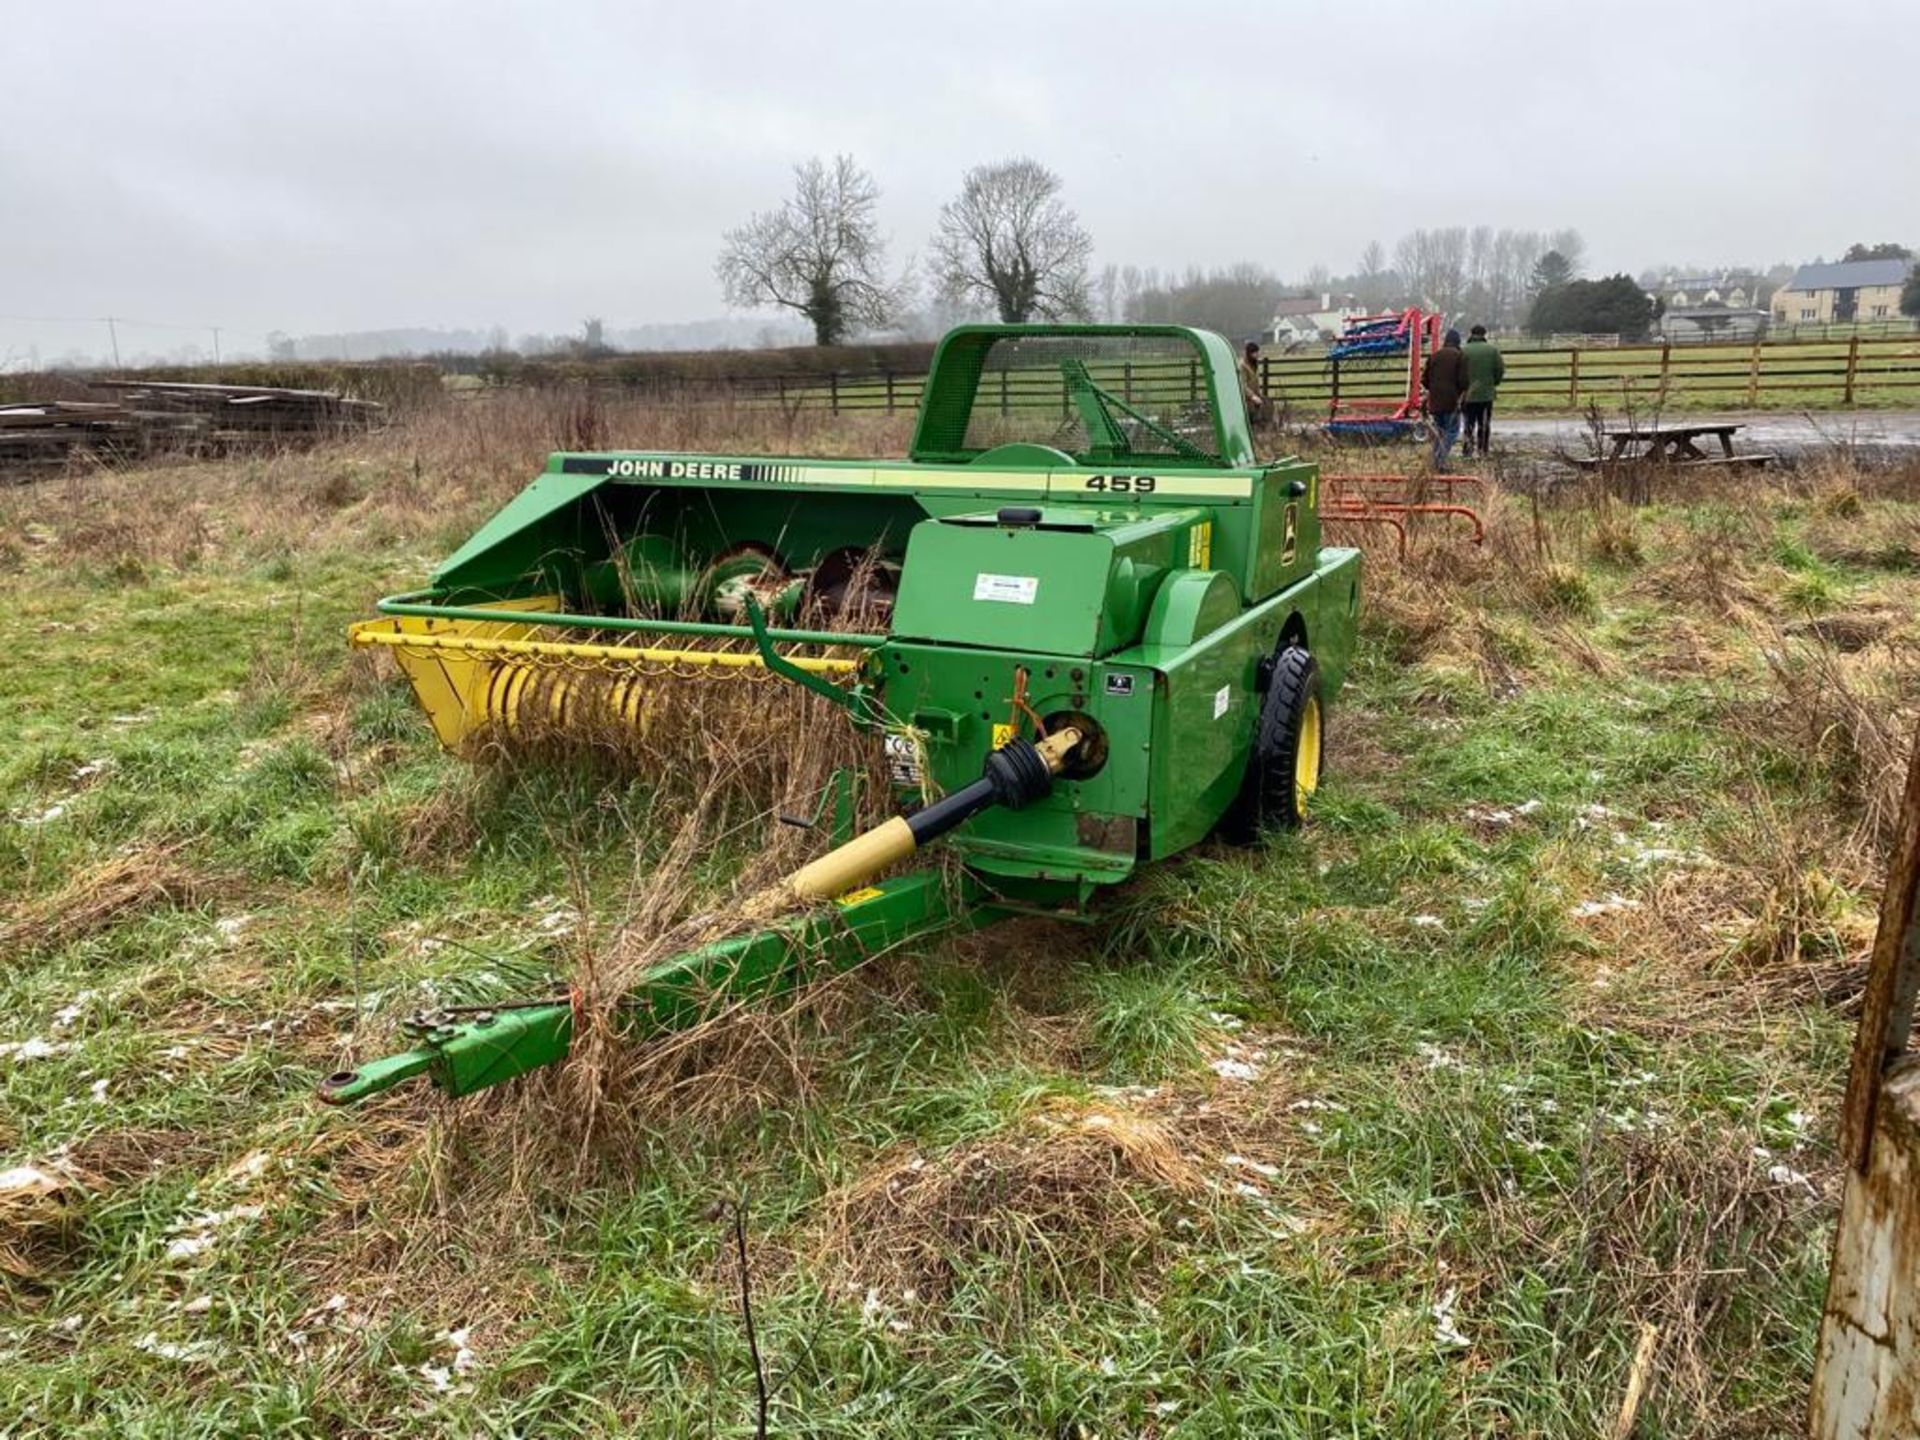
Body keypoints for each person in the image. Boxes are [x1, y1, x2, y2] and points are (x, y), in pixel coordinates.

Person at [1421, 328, 1469, 468]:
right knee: (1452, 432)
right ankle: (1440, 461)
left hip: (1435, 402)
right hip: (1452, 401)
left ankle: (1435, 461)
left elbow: (1424, 380)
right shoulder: (1460, 356)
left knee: (1439, 432)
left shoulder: (1434, 356)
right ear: (1458, 342)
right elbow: (1464, 381)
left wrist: (1434, 390)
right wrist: (1460, 393)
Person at [1461, 324, 1505, 458]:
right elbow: (1500, 370)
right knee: (1484, 423)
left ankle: (1467, 450)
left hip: (1467, 395)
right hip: (1486, 394)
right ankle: (1483, 450)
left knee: (1468, 424)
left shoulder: (1463, 350)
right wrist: (1494, 383)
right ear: (1484, 334)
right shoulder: (1493, 350)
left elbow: (1459, 372)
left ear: (1471, 333)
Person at [1240, 340, 1270, 427]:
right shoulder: (1242, 366)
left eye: (1257, 352)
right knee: (1248, 422)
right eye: (1255, 352)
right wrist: (1252, 396)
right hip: (1246, 400)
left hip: (1255, 400)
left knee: (1255, 422)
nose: (1257, 354)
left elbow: (1255, 381)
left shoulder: (1254, 364)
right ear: (1249, 353)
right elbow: (1243, 384)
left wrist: (1258, 394)